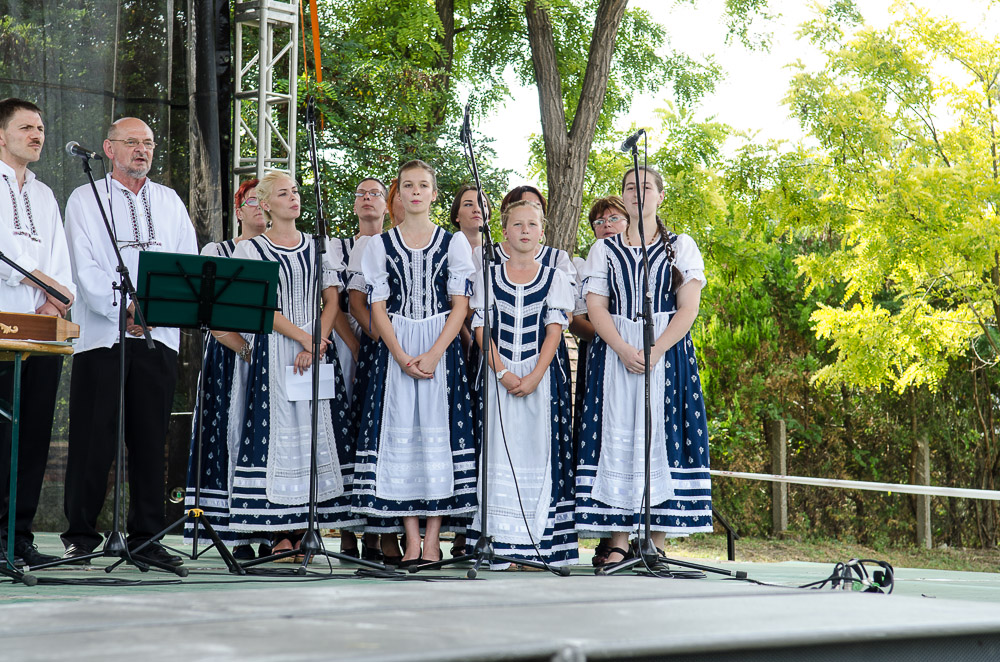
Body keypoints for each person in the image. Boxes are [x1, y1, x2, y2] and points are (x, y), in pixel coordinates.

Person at [62, 117, 197, 567]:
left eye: (149, 143)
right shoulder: (86, 197)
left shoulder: (169, 201)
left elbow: (186, 264)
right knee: (93, 438)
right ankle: (80, 536)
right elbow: (83, 265)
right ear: (109, 148)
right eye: (132, 142)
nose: (142, 150)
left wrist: (156, 312)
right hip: (103, 336)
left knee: (150, 440)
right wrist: (123, 310)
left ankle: (147, 537)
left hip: (159, 338)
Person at [575, 166, 713, 565]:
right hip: (615, 354)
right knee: (617, 437)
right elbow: (596, 307)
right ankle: (618, 540)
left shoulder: (681, 246)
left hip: (666, 354)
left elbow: (688, 308)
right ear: (623, 196)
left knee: (664, 437)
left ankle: (656, 541)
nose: (638, 193)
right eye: (630, 188)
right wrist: (621, 347)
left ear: (660, 196)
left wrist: (656, 350)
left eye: (646, 187)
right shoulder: (604, 250)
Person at [352, 159, 477, 566]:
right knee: (401, 437)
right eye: (408, 185)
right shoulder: (380, 245)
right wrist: (401, 355)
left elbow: (460, 305)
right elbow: (377, 306)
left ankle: (434, 540)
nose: (416, 192)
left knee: (437, 438)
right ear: (400, 194)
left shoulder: (453, 243)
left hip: (440, 344)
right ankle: (410, 539)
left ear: (434, 194)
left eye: (423, 185)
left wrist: (436, 352)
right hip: (398, 346)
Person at [229, 171, 360, 558]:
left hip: (316, 347)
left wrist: (316, 340)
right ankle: (278, 532)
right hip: (275, 350)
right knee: (277, 435)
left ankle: (306, 527)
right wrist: (303, 338)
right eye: (284, 193)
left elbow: (332, 300)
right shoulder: (251, 251)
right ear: (265, 204)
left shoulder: (320, 246)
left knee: (315, 433)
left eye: (296, 191)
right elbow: (260, 308)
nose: (294, 198)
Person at [468, 200, 577, 568]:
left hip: (539, 379)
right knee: (498, 453)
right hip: (498, 375)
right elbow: (481, 328)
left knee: (538, 453)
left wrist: (534, 376)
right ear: (504, 232)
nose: (525, 231)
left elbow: (555, 331)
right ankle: (500, 545)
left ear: (542, 233)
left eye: (532, 224)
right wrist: (502, 372)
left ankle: (536, 548)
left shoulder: (554, 277)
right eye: (517, 224)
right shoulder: (488, 275)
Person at [0, 98, 76, 567]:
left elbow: (60, 261)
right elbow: (8, 255)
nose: (37, 135)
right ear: (1, 134)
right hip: (2, 330)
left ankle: (18, 536)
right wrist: (43, 284)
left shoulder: (45, 195)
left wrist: (56, 300)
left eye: (41, 128)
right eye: (26, 127)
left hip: (42, 332)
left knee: (32, 436)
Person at [182, 178, 269, 561]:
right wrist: (245, 349)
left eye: (264, 201)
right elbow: (210, 315)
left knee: (263, 438)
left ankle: (268, 529)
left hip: (269, 358)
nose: (259, 207)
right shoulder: (218, 251)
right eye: (252, 201)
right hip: (227, 357)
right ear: (238, 210)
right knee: (224, 435)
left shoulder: (281, 251)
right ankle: (233, 534)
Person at [568, 196, 628, 567]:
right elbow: (577, 318)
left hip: (645, 355)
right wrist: (613, 338)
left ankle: (643, 537)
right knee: (603, 438)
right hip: (601, 357)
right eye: (599, 221)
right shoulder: (589, 261)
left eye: (613, 218)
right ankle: (609, 535)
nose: (606, 226)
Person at [331, 176, 388, 562]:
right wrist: (356, 348)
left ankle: (377, 531)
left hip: (382, 346)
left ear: (387, 204)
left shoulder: (394, 243)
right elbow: (334, 304)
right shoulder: (339, 248)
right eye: (361, 194)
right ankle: (348, 533)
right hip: (347, 344)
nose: (367, 199)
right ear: (354, 205)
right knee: (346, 434)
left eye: (375, 194)